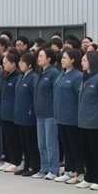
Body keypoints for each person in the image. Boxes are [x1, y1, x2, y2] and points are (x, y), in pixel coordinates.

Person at [77, 50, 98, 190]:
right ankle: (89, 176)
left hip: (96, 123)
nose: (82, 63)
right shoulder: (85, 78)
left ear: (92, 62)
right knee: (87, 152)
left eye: (84, 60)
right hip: (83, 121)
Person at [55, 47, 85, 183]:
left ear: (73, 60)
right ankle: (68, 170)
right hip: (60, 116)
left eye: (65, 58)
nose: (62, 60)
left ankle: (79, 172)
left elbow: (80, 97)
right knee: (66, 146)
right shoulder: (61, 74)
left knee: (75, 147)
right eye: (62, 58)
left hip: (72, 118)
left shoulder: (77, 76)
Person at [35, 47, 62, 179]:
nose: (38, 58)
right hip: (40, 113)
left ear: (49, 59)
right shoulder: (40, 72)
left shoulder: (54, 73)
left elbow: (56, 94)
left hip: (50, 114)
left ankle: (53, 169)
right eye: (38, 56)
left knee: (51, 144)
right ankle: (44, 168)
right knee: (41, 144)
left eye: (41, 56)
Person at [13, 51, 40, 176]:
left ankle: (34, 166)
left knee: (31, 143)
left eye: (23, 62)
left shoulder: (33, 77)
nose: (20, 64)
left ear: (30, 64)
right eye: (20, 61)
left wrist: (31, 111)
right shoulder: (20, 76)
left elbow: (35, 97)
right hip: (19, 115)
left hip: (29, 117)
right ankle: (26, 165)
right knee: (24, 143)